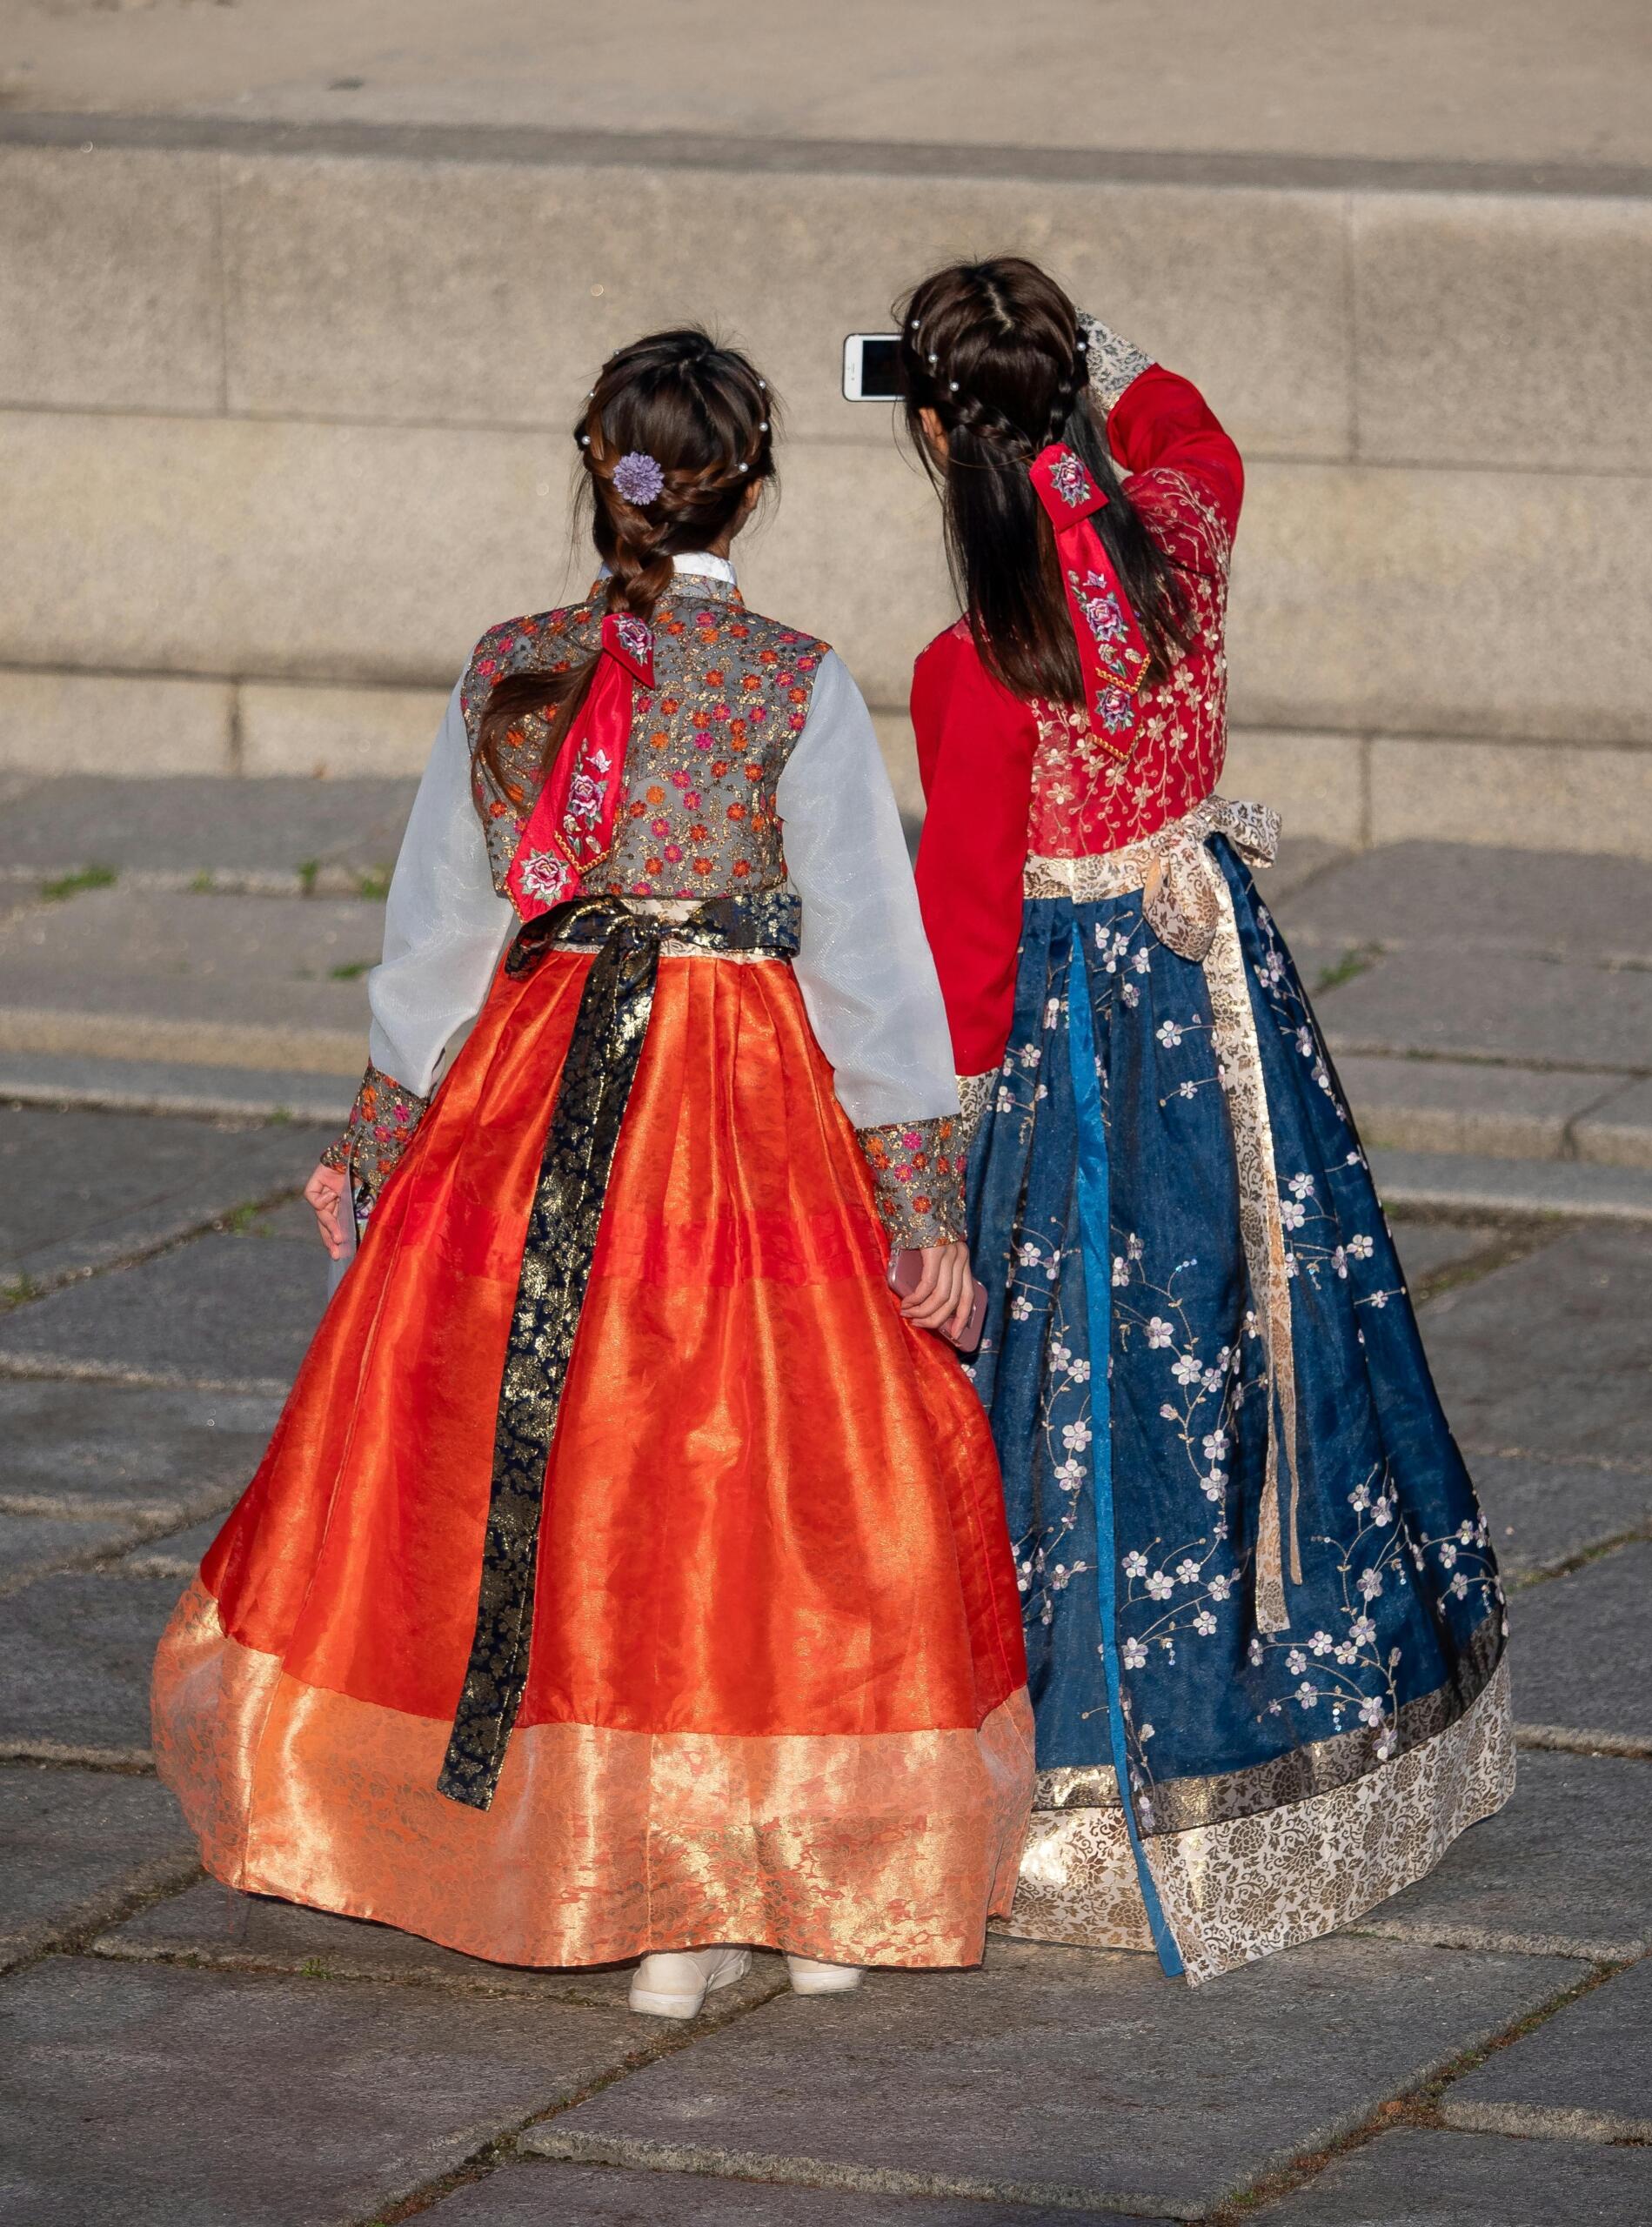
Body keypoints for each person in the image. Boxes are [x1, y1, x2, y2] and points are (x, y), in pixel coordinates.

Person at [152, 328, 1031, 2021]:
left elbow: (439, 936)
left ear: (595, 468)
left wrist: (378, 1144)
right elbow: (870, 962)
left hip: (538, 1094)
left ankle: (612, 1855)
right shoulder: (795, 681)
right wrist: (916, 1195)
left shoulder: (513, 664)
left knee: (569, 1479)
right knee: (760, 1478)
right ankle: (794, 1866)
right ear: (754, 489)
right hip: (746, 1106)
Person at [896, 257, 1512, 1984]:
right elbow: (1197, 425)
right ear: (1072, 401)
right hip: (1223, 981)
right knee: (1263, 1322)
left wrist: (921, 1169)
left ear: (944, 438)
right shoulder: (1182, 535)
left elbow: (962, 961)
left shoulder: (976, 666)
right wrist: (1090, 340)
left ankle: (1106, 1780)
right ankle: (1328, 1713)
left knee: (1095, 1369)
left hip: (1086, 1038)